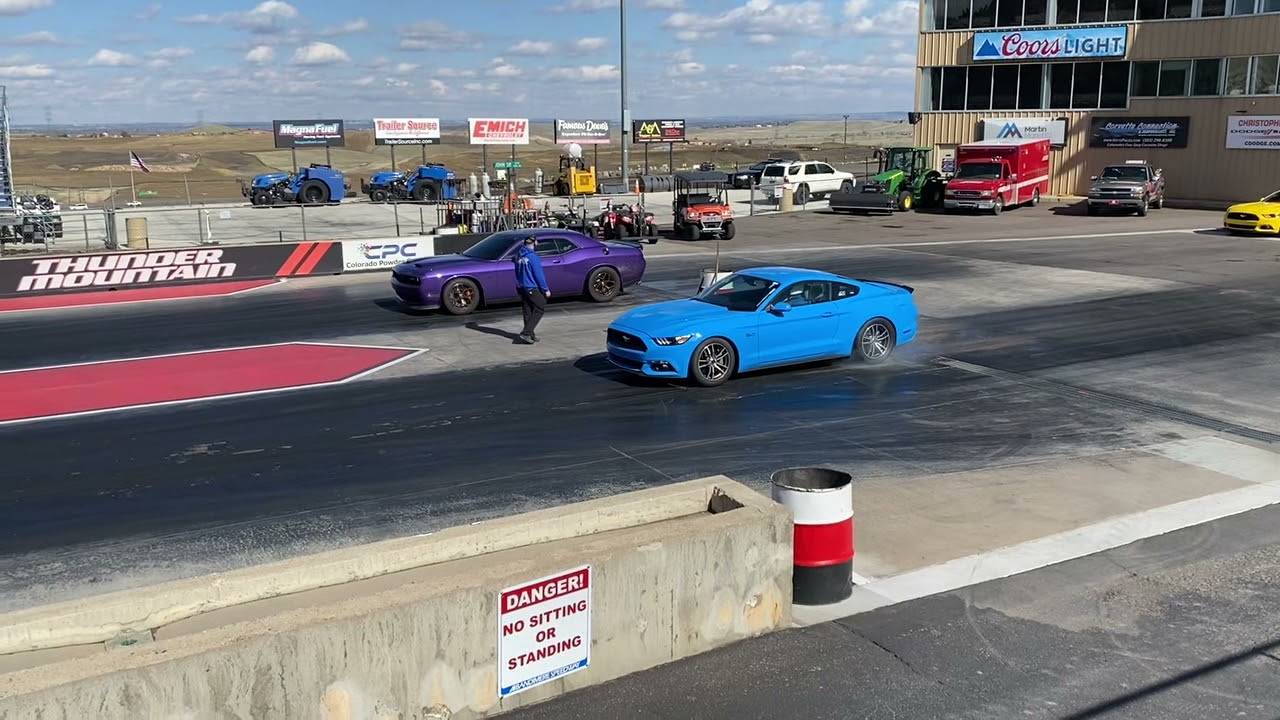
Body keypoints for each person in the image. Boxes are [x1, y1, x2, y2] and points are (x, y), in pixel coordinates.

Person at [513, 236, 550, 344]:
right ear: (535, 243)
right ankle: (526, 333)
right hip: (531, 287)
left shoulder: (518, 255)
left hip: (521, 287)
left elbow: (514, 263)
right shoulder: (533, 257)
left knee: (528, 310)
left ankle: (530, 335)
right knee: (539, 308)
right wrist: (545, 289)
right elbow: (538, 275)